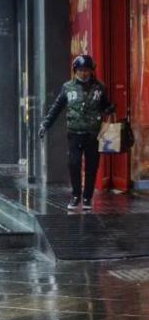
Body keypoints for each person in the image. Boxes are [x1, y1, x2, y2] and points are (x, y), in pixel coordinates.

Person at [39, 54, 115, 210]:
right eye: (80, 70)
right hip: (74, 133)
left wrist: (109, 109)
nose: (84, 73)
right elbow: (56, 107)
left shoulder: (99, 87)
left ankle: (87, 198)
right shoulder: (68, 87)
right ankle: (75, 196)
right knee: (73, 164)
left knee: (92, 166)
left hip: (93, 133)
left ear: (91, 71)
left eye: (87, 70)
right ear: (75, 71)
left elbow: (105, 105)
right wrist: (45, 124)